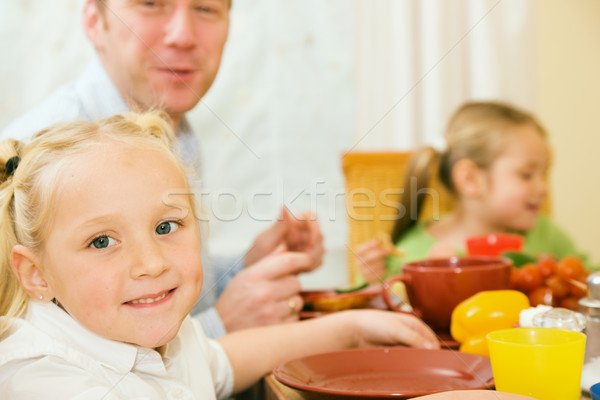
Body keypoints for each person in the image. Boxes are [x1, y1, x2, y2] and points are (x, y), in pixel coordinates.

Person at [0, 112, 439, 399]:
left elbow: (225, 358)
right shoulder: (42, 378)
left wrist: (349, 328)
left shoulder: (157, 333)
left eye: (166, 227)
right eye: (101, 241)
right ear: (36, 274)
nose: (151, 263)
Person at [1, 0, 325, 338]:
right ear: (95, 22)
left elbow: (148, 276)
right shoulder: (42, 159)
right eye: (151, 4)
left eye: (206, 9)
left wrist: (244, 264)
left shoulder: (175, 133)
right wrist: (221, 326)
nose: (183, 36)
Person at [355, 101, 589, 283]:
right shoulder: (409, 254)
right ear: (470, 179)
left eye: (545, 173)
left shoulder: (548, 236)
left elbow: (590, 281)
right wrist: (372, 279)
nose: (543, 188)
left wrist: (564, 276)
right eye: (527, 175)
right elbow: (378, 310)